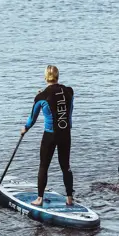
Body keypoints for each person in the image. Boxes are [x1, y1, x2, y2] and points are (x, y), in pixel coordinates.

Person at [21, 65, 75, 206]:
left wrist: (25, 129)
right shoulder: (69, 91)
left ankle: (39, 199)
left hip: (50, 136)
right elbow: (58, 98)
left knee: (44, 166)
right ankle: (69, 198)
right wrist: (44, 93)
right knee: (65, 166)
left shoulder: (41, 97)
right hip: (65, 134)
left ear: (45, 77)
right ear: (58, 76)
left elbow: (32, 118)